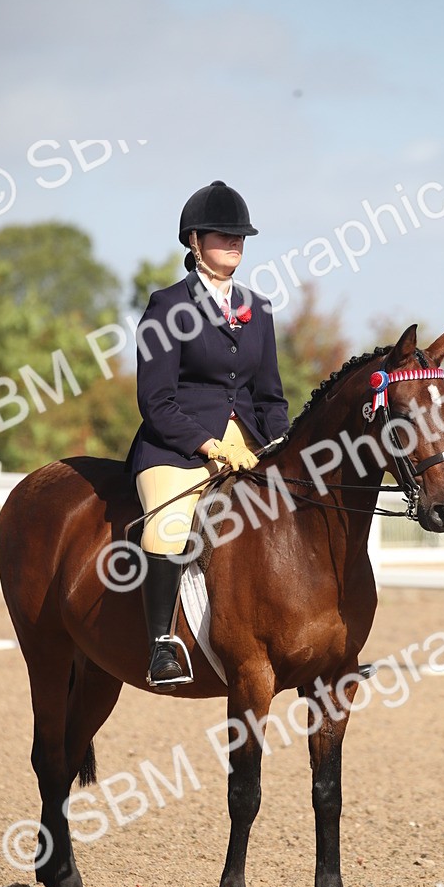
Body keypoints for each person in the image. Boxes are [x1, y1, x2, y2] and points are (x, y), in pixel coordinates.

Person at [126, 180, 290, 688]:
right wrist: (207, 444)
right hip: (177, 448)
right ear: (194, 241)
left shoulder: (257, 309)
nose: (235, 244)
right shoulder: (167, 306)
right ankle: (161, 645)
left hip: (248, 446)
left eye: (240, 236)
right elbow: (156, 400)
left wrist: (282, 445)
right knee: (169, 527)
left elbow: (270, 396)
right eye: (223, 235)